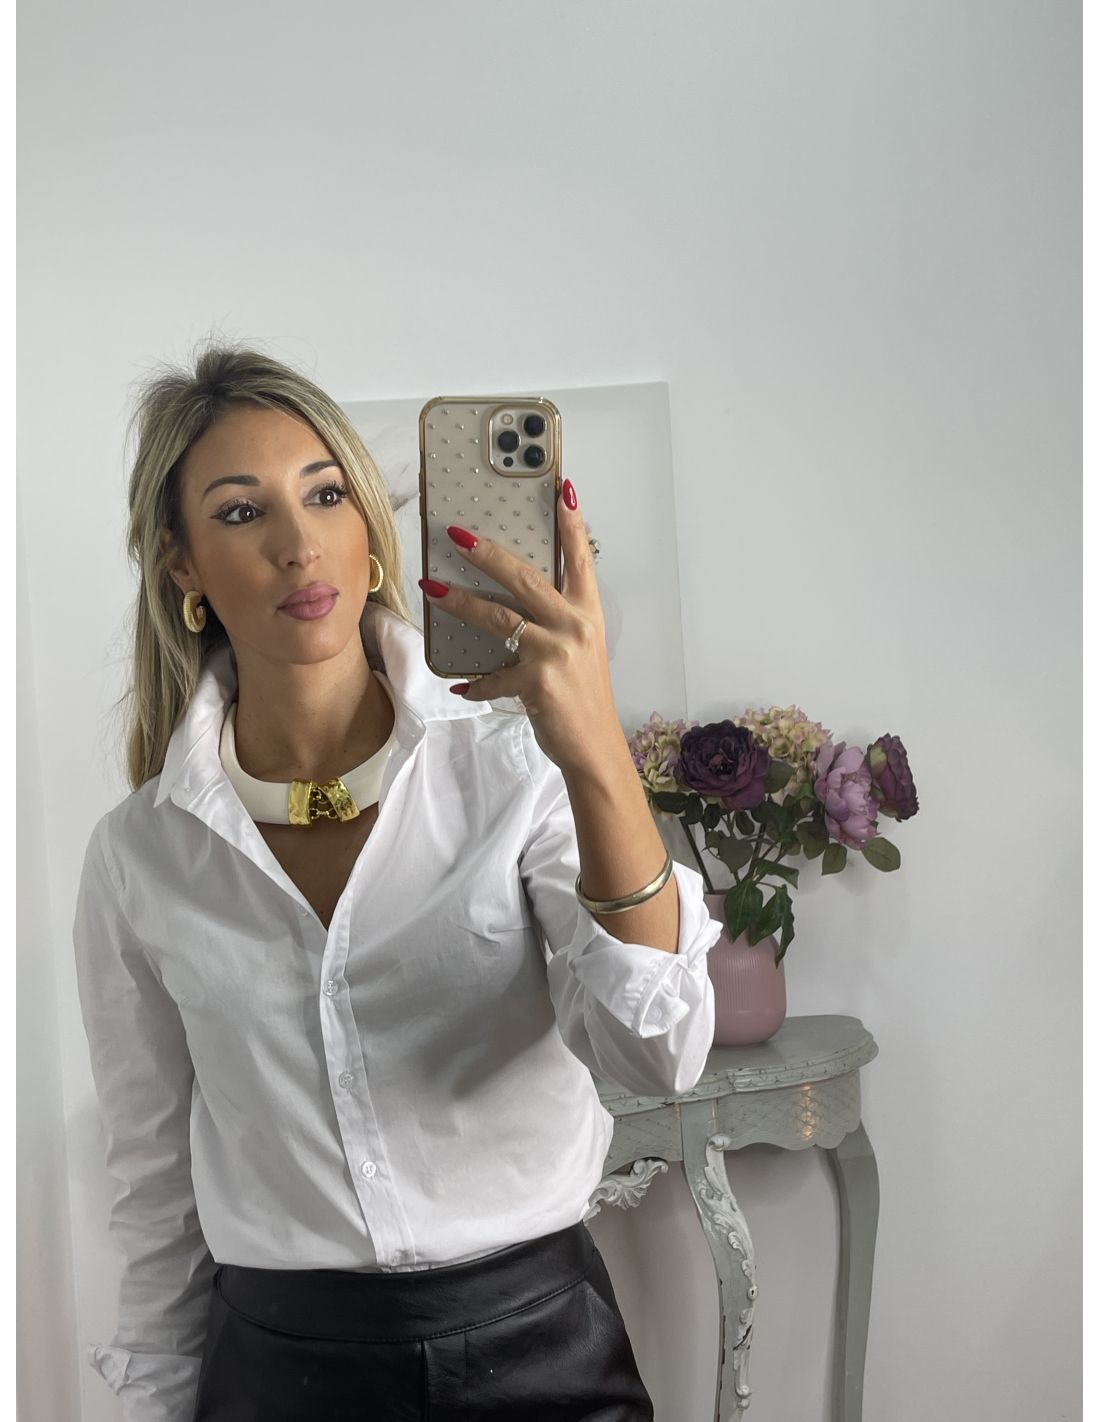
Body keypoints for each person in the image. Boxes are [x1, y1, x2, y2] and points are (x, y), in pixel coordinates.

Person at [72, 340, 724, 1421]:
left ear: (369, 530)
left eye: (325, 494)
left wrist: (595, 744)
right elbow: (152, 1185)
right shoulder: (140, 856)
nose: (297, 544)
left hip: (543, 1363)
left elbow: (658, 1053)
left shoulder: (515, 768)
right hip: (275, 1378)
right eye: (241, 512)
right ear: (182, 565)